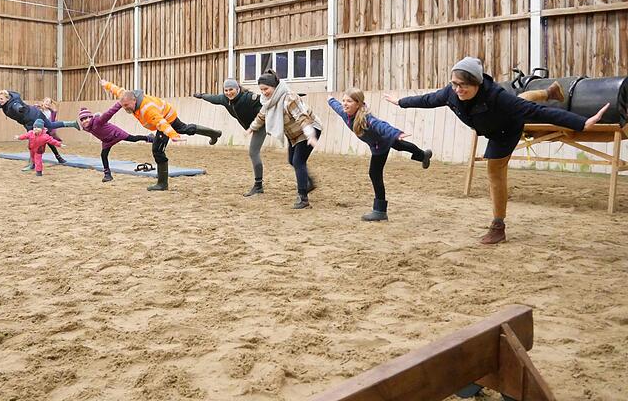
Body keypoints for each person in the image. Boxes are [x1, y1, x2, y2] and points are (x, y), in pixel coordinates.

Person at [385, 57, 608, 244]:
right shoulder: (451, 93)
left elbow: (537, 112)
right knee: (520, 100)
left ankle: (498, 226)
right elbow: (428, 99)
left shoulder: (497, 97)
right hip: (493, 123)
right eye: (454, 83)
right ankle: (549, 91)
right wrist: (401, 102)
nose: (458, 89)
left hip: (505, 131)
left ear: (477, 84)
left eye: (464, 85)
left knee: (495, 172)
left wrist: (581, 123)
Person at [328, 88, 432, 221]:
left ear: (358, 103)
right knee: (401, 146)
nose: (344, 104)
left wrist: (396, 133)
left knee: (375, 173)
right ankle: (423, 155)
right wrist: (330, 99)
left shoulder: (367, 119)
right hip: (379, 141)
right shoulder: (345, 113)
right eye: (343, 100)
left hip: (380, 144)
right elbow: (336, 106)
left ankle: (380, 211)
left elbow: (382, 126)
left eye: (349, 101)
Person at [101, 79, 223, 191]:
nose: (125, 108)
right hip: (165, 112)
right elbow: (116, 89)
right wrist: (105, 84)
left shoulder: (147, 108)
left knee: (157, 150)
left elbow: (161, 123)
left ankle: (162, 184)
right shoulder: (126, 96)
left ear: (134, 100)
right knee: (185, 128)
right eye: (123, 106)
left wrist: (173, 135)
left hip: (165, 117)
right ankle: (214, 134)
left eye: (127, 105)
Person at [247, 69, 322, 209]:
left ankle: (303, 198)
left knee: (298, 161)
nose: (263, 92)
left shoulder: (289, 98)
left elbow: (302, 117)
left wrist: (310, 135)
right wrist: (252, 128)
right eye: (261, 89)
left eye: (266, 89)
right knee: (291, 160)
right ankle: (308, 182)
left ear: (275, 87)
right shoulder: (268, 101)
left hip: (308, 129)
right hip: (294, 133)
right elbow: (262, 115)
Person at [194, 78, 265, 196]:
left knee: (253, 152)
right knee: (254, 152)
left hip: (262, 124)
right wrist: (201, 95)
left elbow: (265, 100)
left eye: (231, 89)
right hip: (254, 127)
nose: (228, 93)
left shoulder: (247, 97)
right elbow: (213, 98)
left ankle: (258, 186)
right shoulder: (224, 99)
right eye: (226, 90)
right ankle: (259, 186)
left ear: (237, 89)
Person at [0, 89, 78, 170]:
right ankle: (72, 123)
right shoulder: (7, 102)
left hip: (31, 121)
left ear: (7, 98)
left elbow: (17, 106)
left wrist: (20, 109)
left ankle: (32, 164)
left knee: (32, 143)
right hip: (36, 113)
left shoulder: (13, 104)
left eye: (1, 99)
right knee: (50, 125)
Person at [78, 104, 154, 182]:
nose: (84, 121)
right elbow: (77, 125)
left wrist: (120, 103)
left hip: (116, 134)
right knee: (103, 155)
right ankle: (107, 174)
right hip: (106, 141)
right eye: (82, 120)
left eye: (86, 118)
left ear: (91, 117)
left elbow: (110, 112)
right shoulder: (86, 128)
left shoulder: (99, 121)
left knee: (133, 138)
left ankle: (148, 138)